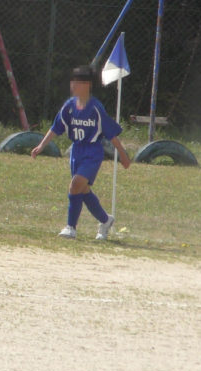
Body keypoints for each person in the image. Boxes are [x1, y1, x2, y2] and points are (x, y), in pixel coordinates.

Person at [31, 65, 131, 241]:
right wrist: (41, 146)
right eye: (73, 81)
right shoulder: (69, 106)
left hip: (92, 152)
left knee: (75, 185)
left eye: (78, 82)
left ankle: (71, 228)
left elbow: (111, 134)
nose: (73, 85)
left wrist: (123, 155)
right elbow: (56, 128)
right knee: (82, 190)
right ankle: (105, 220)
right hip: (76, 151)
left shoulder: (95, 108)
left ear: (87, 85)